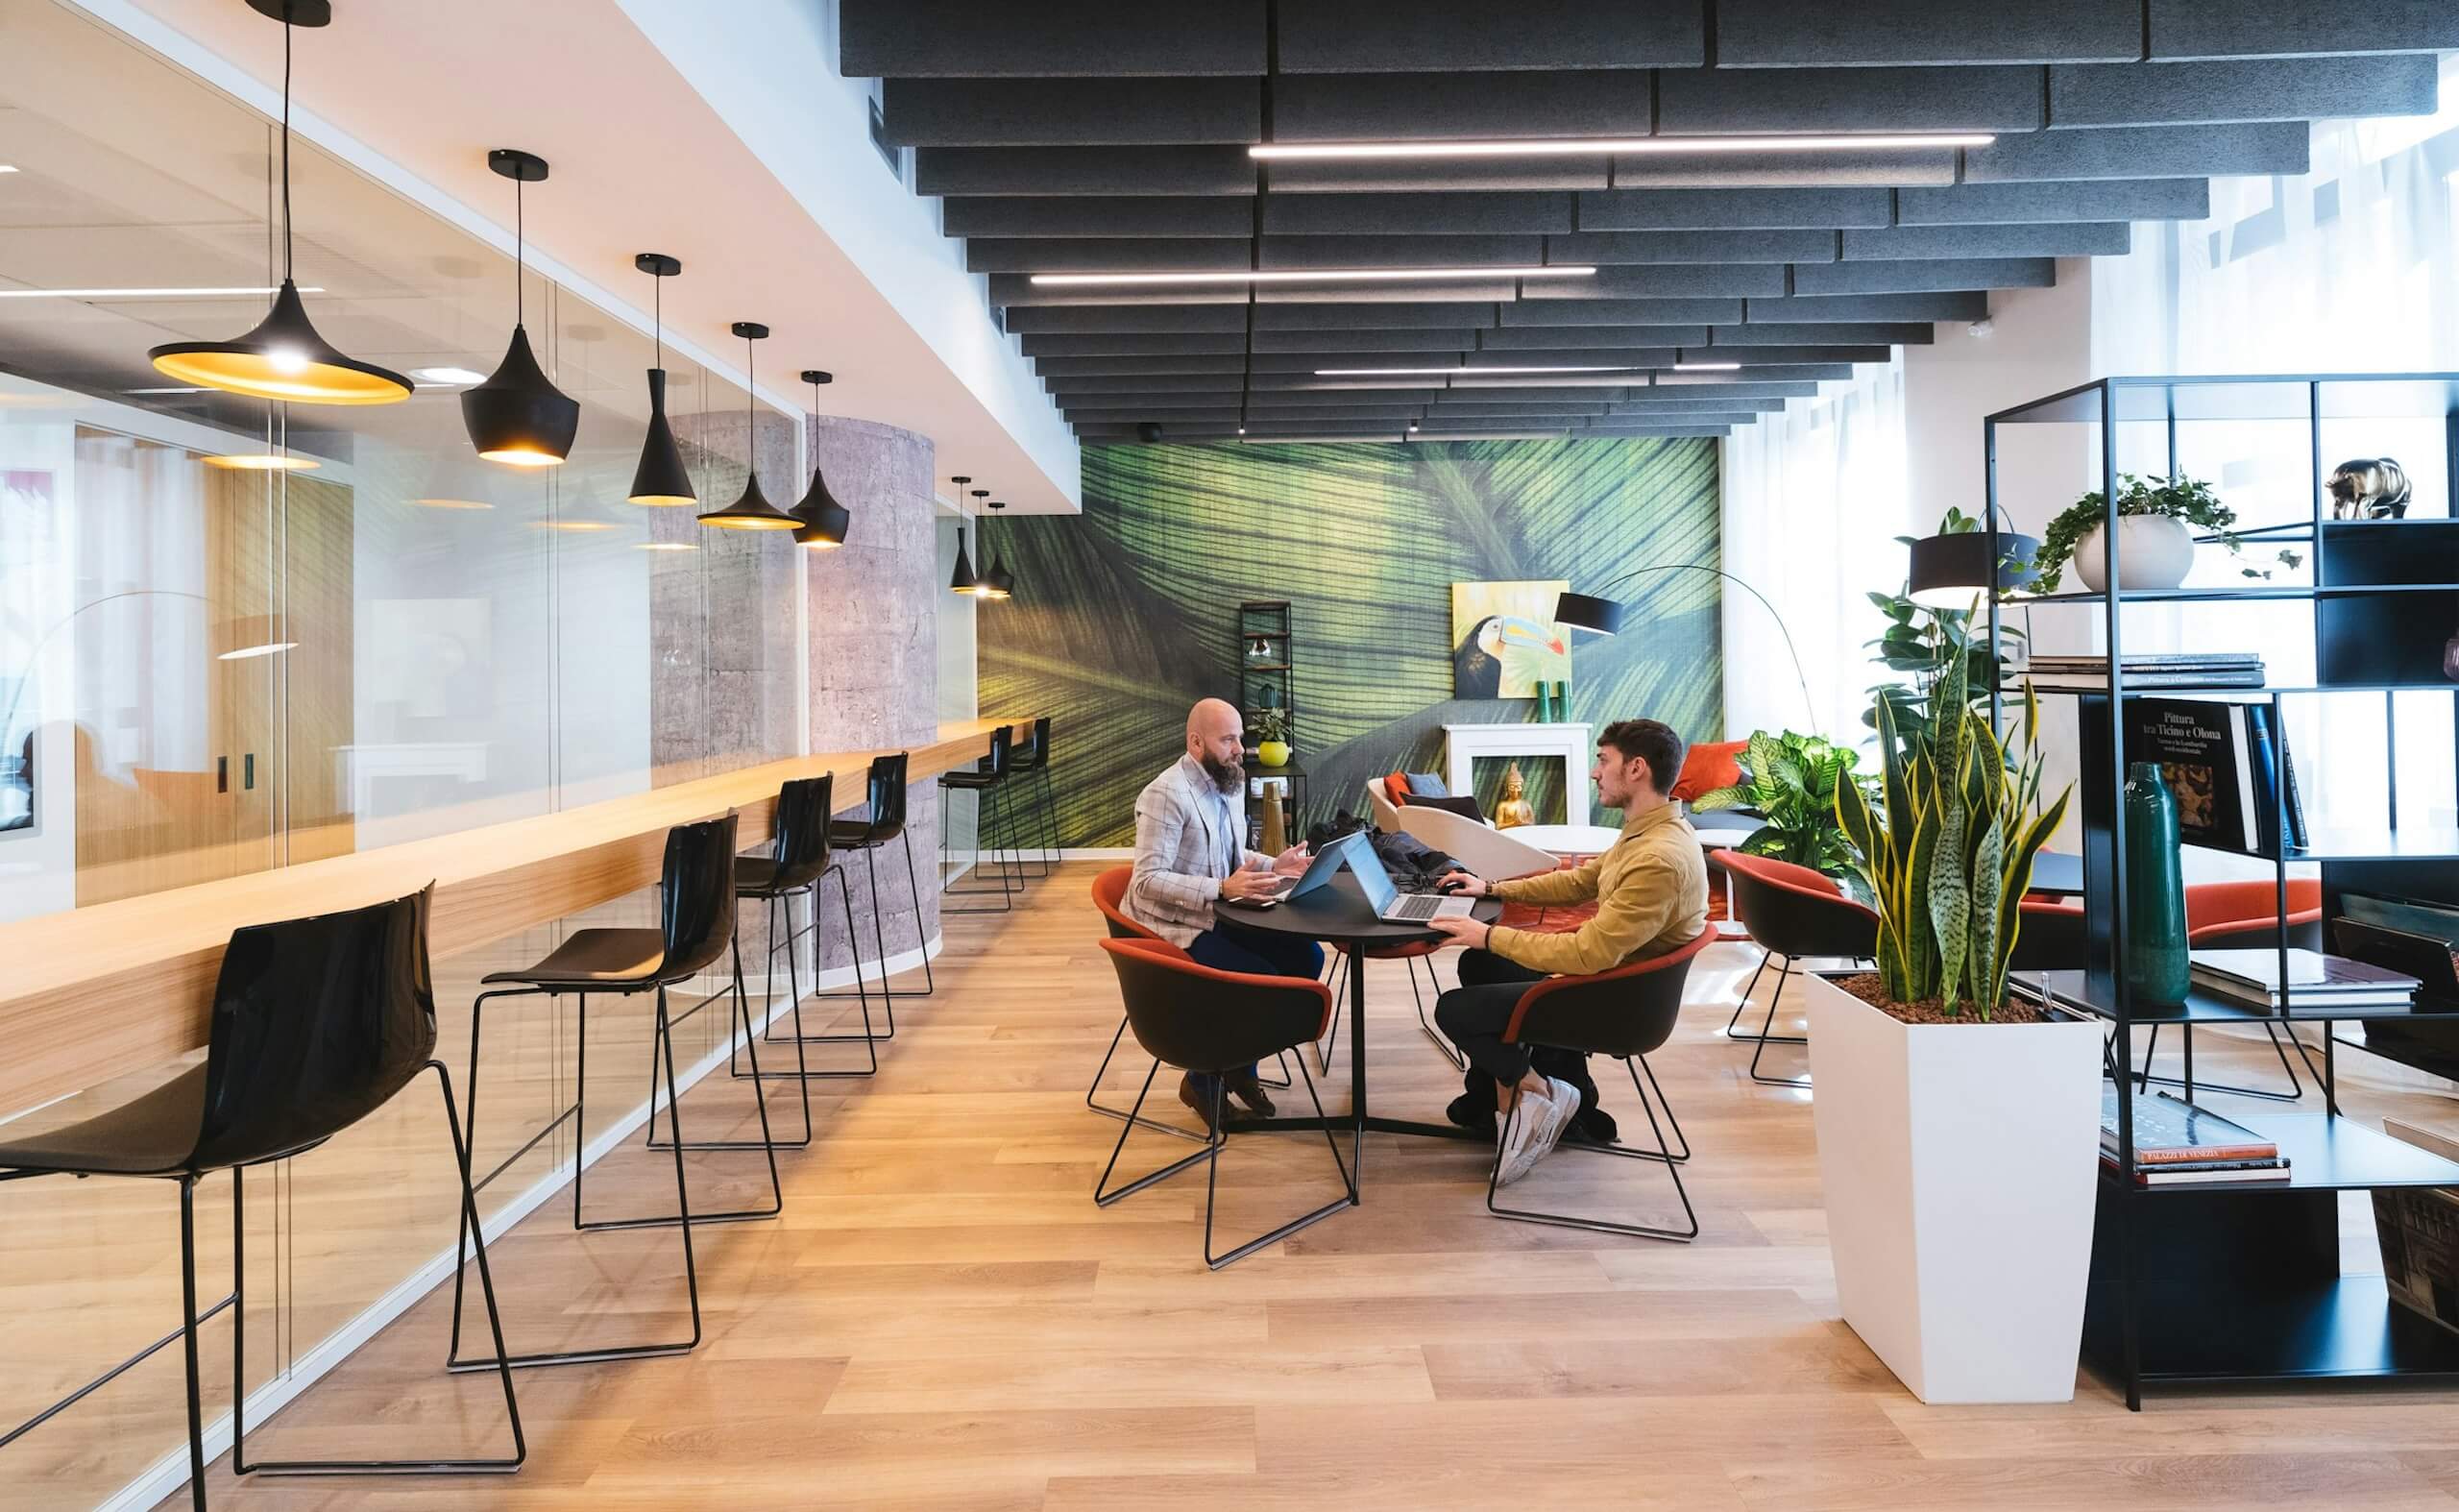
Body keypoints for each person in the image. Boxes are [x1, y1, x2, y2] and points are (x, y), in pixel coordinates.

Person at [1423, 718, 1709, 1184]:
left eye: (1603, 760)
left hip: (1615, 1003)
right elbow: (1580, 881)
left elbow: (1586, 955)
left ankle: (1543, 1091)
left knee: (1455, 1010)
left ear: (1636, 769)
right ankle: (1519, 1092)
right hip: (1611, 982)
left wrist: (1489, 932)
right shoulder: (1648, 832)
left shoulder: (1658, 858)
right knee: (1480, 963)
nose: (1596, 772)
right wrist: (1492, 886)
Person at [1126, 697, 1319, 1120]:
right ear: (1196, 743)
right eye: (1228, 739)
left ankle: (1238, 1067)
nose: (1239, 749)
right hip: (1173, 925)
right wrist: (1221, 887)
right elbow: (1145, 880)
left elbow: (1232, 854)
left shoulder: (1228, 783)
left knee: (1308, 957)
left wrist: (1275, 864)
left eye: (1240, 738)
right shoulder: (1165, 795)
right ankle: (1202, 1079)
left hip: (1220, 911)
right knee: (1259, 982)